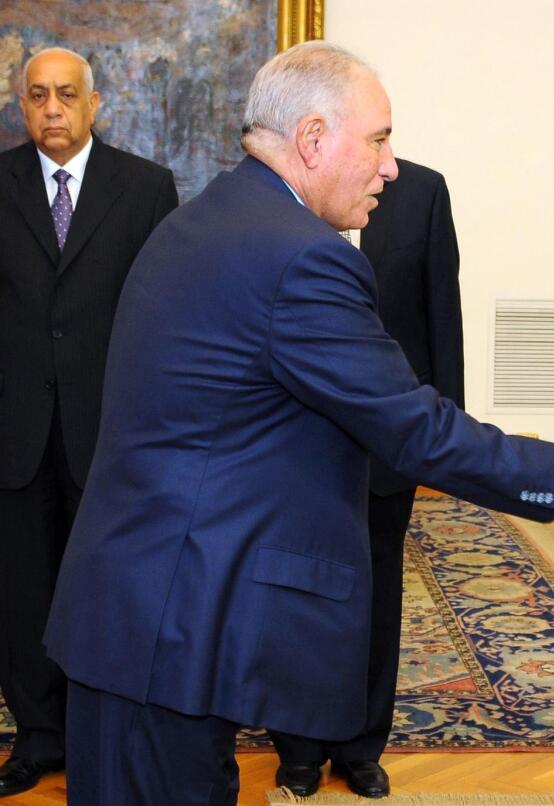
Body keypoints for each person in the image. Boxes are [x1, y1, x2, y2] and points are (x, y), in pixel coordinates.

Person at [41, 41, 554, 805]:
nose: (391, 167)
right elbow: (414, 428)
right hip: (172, 625)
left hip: (143, 610)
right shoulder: (299, 258)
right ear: (315, 139)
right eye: (380, 139)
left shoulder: (210, 218)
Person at [0, 47, 177, 797]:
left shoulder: (144, 188)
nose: (52, 110)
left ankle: (103, 735)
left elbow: (166, 317)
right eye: (37, 96)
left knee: (109, 591)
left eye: (66, 96)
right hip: (15, 432)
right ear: (21, 103)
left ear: (95, 103)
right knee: (22, 591)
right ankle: (40, 737)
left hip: (110, 432)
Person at [269, 159, 466, 797]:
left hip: (391, 441)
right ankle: (297, 746)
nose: (381, 152)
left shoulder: (422, 192)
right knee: (293, 591)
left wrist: (445, 438)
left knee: (379, 591)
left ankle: (360, 744)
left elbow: (442, 313)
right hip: (294, 440)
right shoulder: (281, 192)